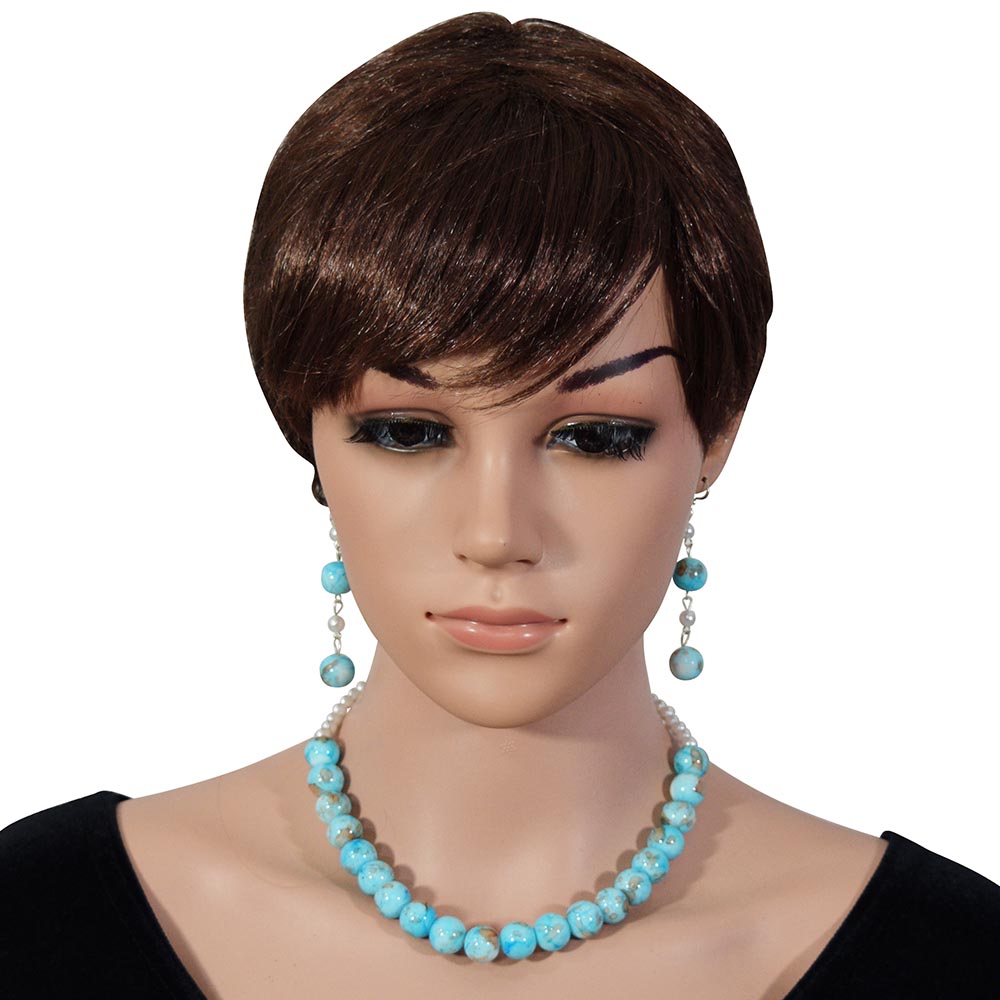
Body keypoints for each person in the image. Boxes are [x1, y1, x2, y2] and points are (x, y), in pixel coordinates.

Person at [2, 11, 997, 999]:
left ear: (716, 433)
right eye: (408, 432)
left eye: (594, 437)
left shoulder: (955, 962)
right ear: (308, 431)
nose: (496, 534)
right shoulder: (31, 920)